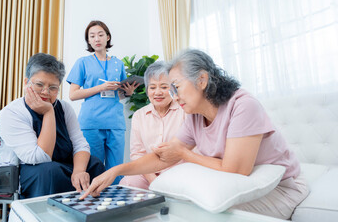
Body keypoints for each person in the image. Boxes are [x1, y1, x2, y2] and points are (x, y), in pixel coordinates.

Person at [80, 49, 309, 220]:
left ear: (202, 80)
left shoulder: (242, 105)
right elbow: (165, 156)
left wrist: (184, 154)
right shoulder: (194, 116)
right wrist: (115, 171)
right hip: (240, 186)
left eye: (175, 87)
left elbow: (236, 169)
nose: (173, 95)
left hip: (281, 188)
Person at [0, 53, 105, 198]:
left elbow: (81, 144)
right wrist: (49, 112)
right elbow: (39, 157)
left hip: (61, 164)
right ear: (26, 83)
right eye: (39, 85)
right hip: (25, 171)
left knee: (94, 164)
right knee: (49, 171)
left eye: (53, 87)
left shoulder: (64, 108)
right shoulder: (11, 113)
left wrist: (79, 171)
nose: (45, 92)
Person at [66, 21, 138, 184]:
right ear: (88, 41)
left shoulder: (118, 63)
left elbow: (116, 94)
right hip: (91, 122)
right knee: (94, 168)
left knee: (116, 170)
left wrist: (127, 93)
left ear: (108, 37)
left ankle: (114, 205)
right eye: (92, 36)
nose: (96, 38)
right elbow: (73, 94)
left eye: (100, 34)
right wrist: (100, 87)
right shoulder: (82, 62)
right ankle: (93, 204)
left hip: (115, 122)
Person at [119, 61, 186, 189]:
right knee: (128, 183)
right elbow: (137, 154)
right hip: (148, 171)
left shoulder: (184, 111)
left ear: (173, 88)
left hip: (178, 169)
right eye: (152, 87)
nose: (157, 92)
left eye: (164, 87)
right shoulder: (139, 115)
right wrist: (153, 179)